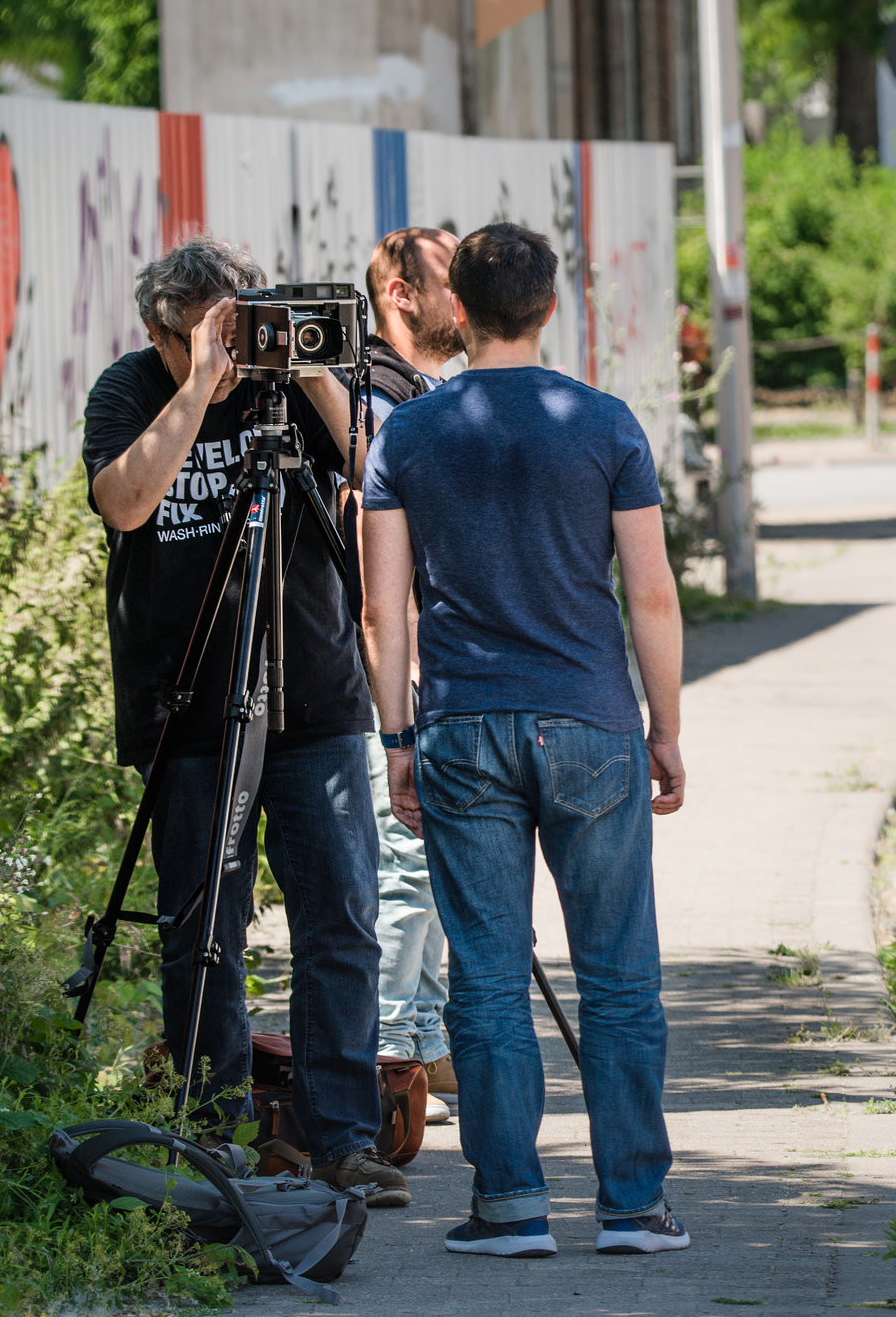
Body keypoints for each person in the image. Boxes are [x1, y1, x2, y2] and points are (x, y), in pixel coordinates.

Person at [360, 223, 689, 1257]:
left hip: (461, 724)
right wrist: (664, 728)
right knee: (620, 974)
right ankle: (633, 1205)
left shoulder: (405, 435)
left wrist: (397, 738)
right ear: (551, 306)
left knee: (489, 975)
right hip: (590, 722)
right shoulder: (602, 423)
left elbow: (382, 616)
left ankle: (507, 1204)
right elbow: (649, 589)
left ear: (455, 306)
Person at [83, 235, 409, 1206]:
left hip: (312, 698)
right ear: (159, 333)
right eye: (204, 335)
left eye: (239, 323)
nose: (228, 349)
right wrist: (198, 386)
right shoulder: (132, 388)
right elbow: (127, 503)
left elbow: (376, 466)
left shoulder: (293, 389)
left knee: (342, 919)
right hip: (190, 714)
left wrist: (301, 365)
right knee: (202, 931)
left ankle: (345, 1139)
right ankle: (212, 1137)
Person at [351, 226, 462, 1119]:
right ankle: (393, 1057)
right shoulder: (375, 400)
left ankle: (424, 1041)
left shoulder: (418, 391)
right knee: (402, 860)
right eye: (448, 279)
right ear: (401, 291)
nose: (464, 299)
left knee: (426, 859)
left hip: (421, 657)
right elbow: (379, 557)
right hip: (391, 665)